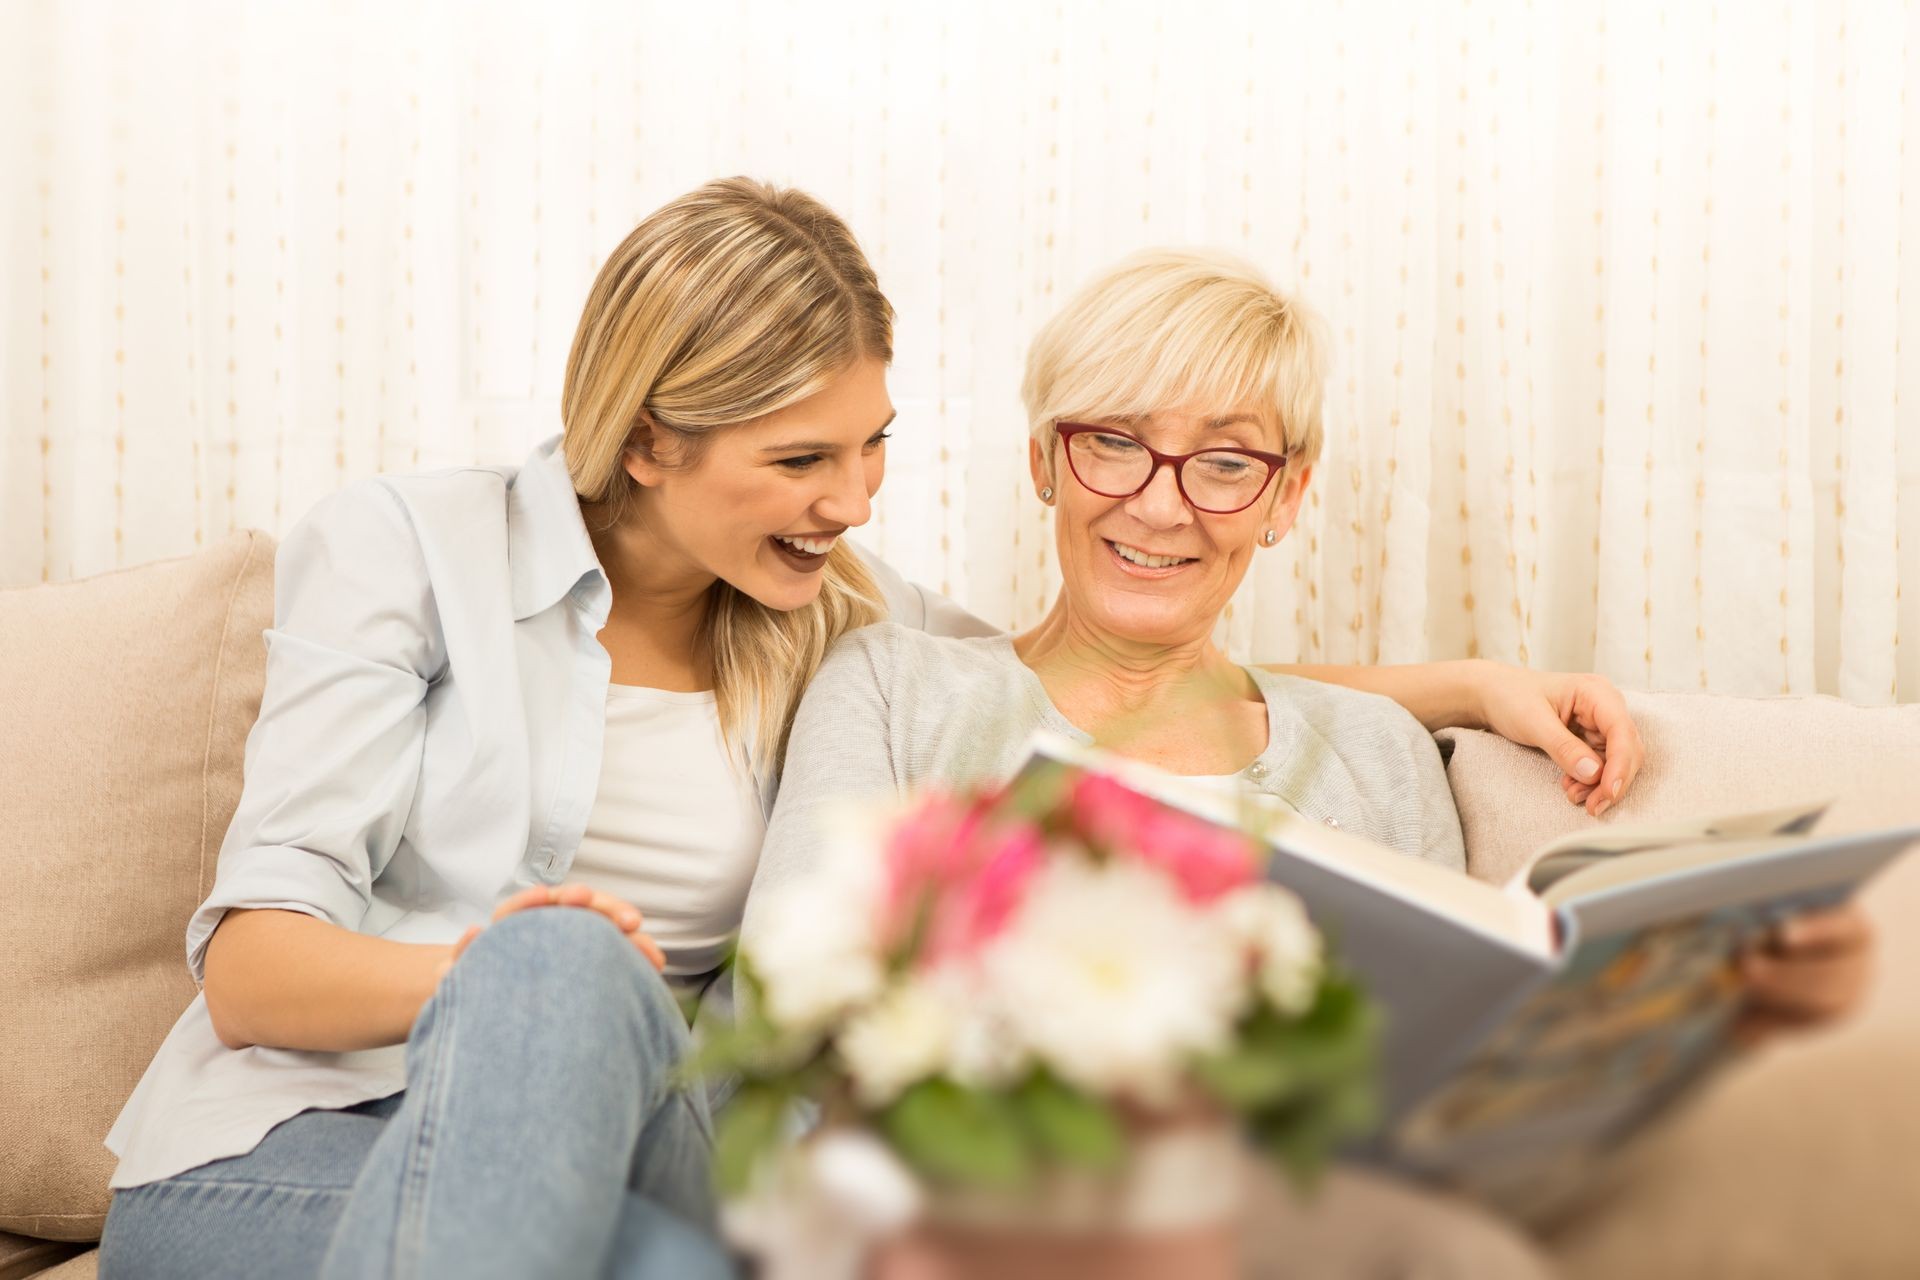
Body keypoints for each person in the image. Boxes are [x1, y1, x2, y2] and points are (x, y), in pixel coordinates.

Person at [98, 178, 1652, 1279]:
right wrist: (511, 968)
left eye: (874, 448)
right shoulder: (406, 549)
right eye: (800, 459)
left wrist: (1449, 692)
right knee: (564, 965)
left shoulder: (834, 611)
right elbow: (250, 971)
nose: (851, 501)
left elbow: (1091, 671)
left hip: (603, 1166)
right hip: (287, 1159)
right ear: (648, 436)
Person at [743, 246, 1876, 1276]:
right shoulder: (897, 684)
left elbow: (1448, 1134)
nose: (1161, 502)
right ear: (1045, 460)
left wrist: (1716, 1010)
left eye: (1225, 462)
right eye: (1115, 442)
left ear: (1286, 494)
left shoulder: (1377, 755)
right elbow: (783, 1024)